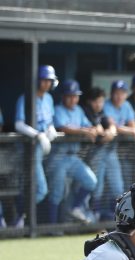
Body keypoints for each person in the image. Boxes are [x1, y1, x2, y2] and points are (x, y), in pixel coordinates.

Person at [47, 80, 98, 224]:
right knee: (57, 193)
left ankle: (75, 208)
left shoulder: (79, 111)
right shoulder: (57, 109)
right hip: (58, 158)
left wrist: (95, 129)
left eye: (75, 96)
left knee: (91, 181)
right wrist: (83, 131)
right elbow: (63, 128)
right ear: (63, 96)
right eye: (69, 96)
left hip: (73, 158)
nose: (73, 99)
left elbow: (89, 126)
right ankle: (52, 226)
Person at [14, 65, 58, 226]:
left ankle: (20, 218)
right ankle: (20, 216)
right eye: (44, 80)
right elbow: (18, 124)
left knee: (38, 188)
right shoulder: (25, 97)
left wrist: (50, 129)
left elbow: (49, 121)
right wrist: (38, 135)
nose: (47, 83)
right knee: (40, 189)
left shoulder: (49, 99)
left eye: (49, 80)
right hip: (28, 150)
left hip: (44, 149)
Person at [102, 80, 135, 219]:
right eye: (116, 93)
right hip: (100, 149)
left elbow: (134, 126)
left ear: (126, 95)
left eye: (122, 93)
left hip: (114, 151)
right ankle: (94, 218)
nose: (119, 96)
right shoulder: (106, 105)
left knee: (117, 188)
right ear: (111, 94)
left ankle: (112, 219)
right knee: (99, 188)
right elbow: (114, 126)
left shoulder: (126, 106)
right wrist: (131, 131)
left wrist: (132, 130)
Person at [82, 86, 120, 221]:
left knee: (115, 187)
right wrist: (101, 131)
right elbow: (94, 128)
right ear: (89, 102)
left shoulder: (101, 111)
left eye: (101, 101)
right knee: (95, 187)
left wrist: (111, 130)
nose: (98, 105)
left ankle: (113, 218)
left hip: (104, 153)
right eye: (96, 102)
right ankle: (93, 215)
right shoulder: (85, 111)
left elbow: (109, 122)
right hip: (87, 155)